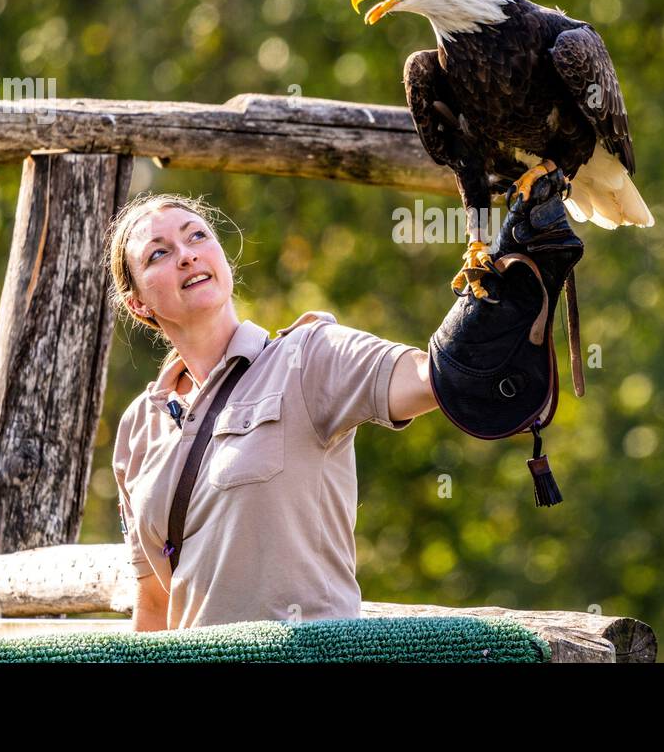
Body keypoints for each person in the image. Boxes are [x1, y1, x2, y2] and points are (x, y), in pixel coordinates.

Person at [105, 192, 441, 631]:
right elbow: (153, 602)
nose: (186, 256)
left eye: (197, 236)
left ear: (221, 257)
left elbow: (432, 380)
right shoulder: (138, 426)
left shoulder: (308, 357)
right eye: (159, 253)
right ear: (138, 304)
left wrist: (494, 277)